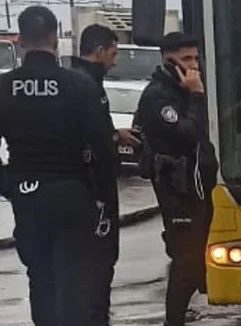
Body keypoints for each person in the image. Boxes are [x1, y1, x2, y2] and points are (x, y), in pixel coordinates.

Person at [0, 6, 117, 325]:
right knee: (74, 282)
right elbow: (104, 148)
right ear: (55, 37)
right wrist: (102, 197)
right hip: (72, 194)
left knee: (40, 279)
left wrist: (8, 183)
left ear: (21, 39)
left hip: (28, 194)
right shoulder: (78, 86)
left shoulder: (4, 88)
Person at [133, 32, 218, 326]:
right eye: (185, 60)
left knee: (195, 258)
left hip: (195, 185)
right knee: (186, 261)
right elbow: (186, 133)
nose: (193, 66)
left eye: (196, 58)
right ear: (168, 62)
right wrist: (196, 96)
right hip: (177, 187)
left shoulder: (181, 90)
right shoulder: (159, 96)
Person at [69, 23, 142, 325]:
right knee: (98, 262)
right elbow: (86, 137)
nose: (115, 60)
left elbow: (94, 131)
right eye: (113, 53)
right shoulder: (84, 84)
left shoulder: (85, 81)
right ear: (99, 52)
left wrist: (115, 135)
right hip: (93, 192)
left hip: (89, 187)